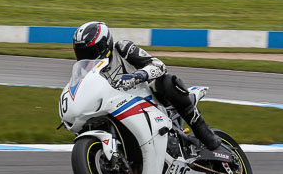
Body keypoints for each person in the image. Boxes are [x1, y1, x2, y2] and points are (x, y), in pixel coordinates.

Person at [72, 20, 224, 151]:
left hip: (147, 99)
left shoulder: (122, 48)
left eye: (91, 51)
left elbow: (158, 65)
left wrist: (138, 75)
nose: (87, 57)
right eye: (82, 53)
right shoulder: (86, 73)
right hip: (115, 108)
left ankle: (203, 130)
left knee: (167, 82)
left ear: (105, 44)